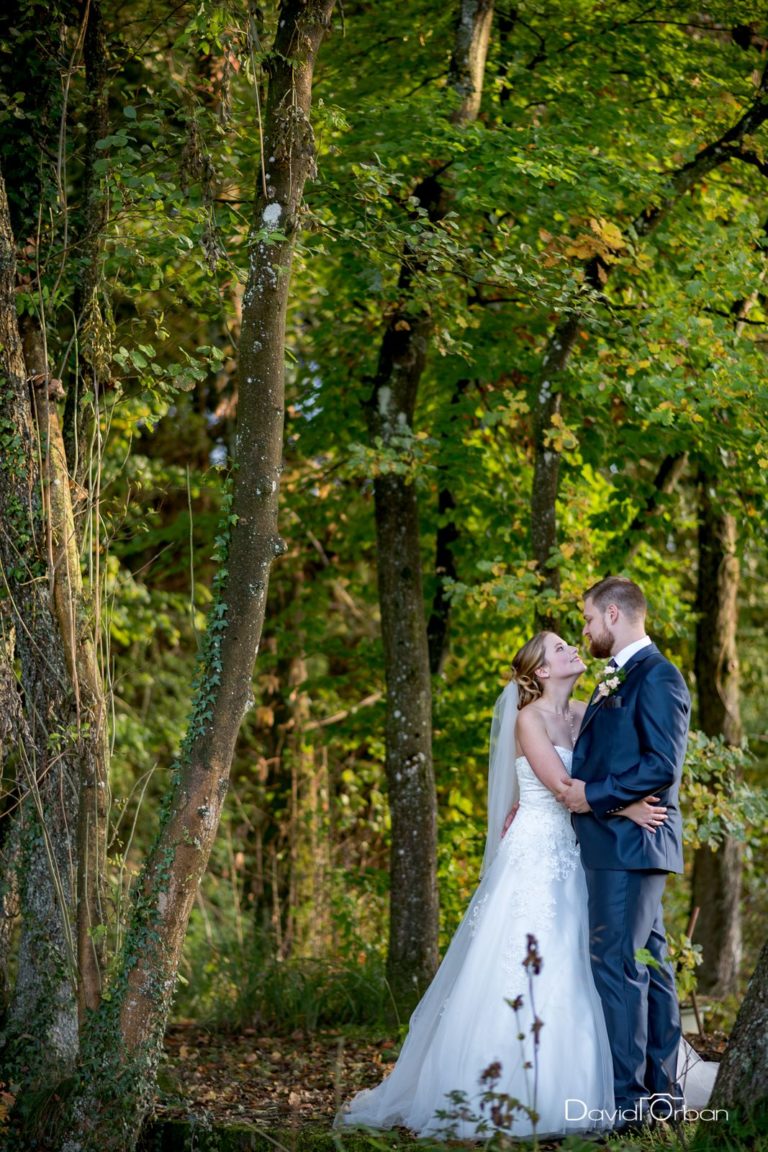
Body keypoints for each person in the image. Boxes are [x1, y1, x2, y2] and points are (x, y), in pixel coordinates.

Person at [335, 631, 666, 1139]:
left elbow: (610, 768)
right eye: (559, 649)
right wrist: (629, 806)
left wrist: (627, 796)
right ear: (539, 672)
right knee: (528, 962)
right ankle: (522, 1090)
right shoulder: (528, 719)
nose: (572, 650)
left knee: (596, 962)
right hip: (538, 851)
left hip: (587, 851)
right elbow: (561, 788)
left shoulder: (589, 710)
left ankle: (626, 1084)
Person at [559, 576, 689, 1131]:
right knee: (651, 969)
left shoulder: (656, 676)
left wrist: (594, 797)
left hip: (629, 847)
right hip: (625, 842)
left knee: (617, 969)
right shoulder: (621, 675)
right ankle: (662, 1099)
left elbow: (663, 765)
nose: (585, 631)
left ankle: (630, 1108)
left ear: (613, 614)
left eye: (588, 619)